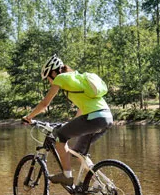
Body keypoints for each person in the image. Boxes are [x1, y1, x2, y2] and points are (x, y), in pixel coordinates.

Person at [22, 54, 113, 186]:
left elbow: (44, 104)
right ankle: (99, 185)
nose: (49, 81)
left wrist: (29, 117)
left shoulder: (61, 78)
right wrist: (71, 123)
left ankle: (67, 175)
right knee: (78, 153)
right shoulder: (77, 78)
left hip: (93, 118)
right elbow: (82, 109)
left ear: (53, 72)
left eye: (48, 78)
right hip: (106, 117)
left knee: (60, 137)